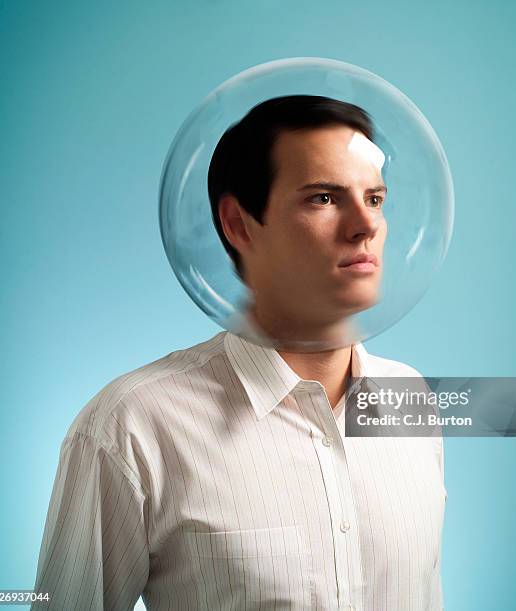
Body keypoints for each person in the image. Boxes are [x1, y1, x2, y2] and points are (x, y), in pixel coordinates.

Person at [31, 95, 446, 610]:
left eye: (376, 198)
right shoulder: (132, 426)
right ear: (239, 224)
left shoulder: (412, 400)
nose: (366, 225)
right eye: (323, 198)